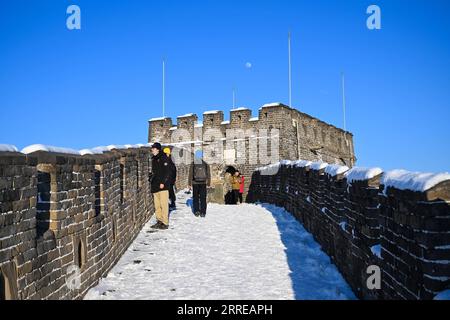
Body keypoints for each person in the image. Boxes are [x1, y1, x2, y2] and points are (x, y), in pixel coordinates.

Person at [150, 142, 171, 230]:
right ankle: (159, 221)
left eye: (153, 149)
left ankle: (165, 223)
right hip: (155, 185)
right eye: (152, 148)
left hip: (163, 186)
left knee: (164, 204)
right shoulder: (153, 159)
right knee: (157, 205)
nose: (152, 150)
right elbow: (156, 172)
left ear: (158, 149)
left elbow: (167, 172)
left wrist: (163, 182)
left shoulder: (164, 158)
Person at [188, 150, 211, 217]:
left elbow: (190, 174)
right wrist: (209, 183)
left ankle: (196, 211)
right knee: (203, 198)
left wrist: (189, 183)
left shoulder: (193, 163)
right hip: (203, 183)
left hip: (195, 183)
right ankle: (203, 212)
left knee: (195, 198)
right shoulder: (205, 164)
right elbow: (208, 174)